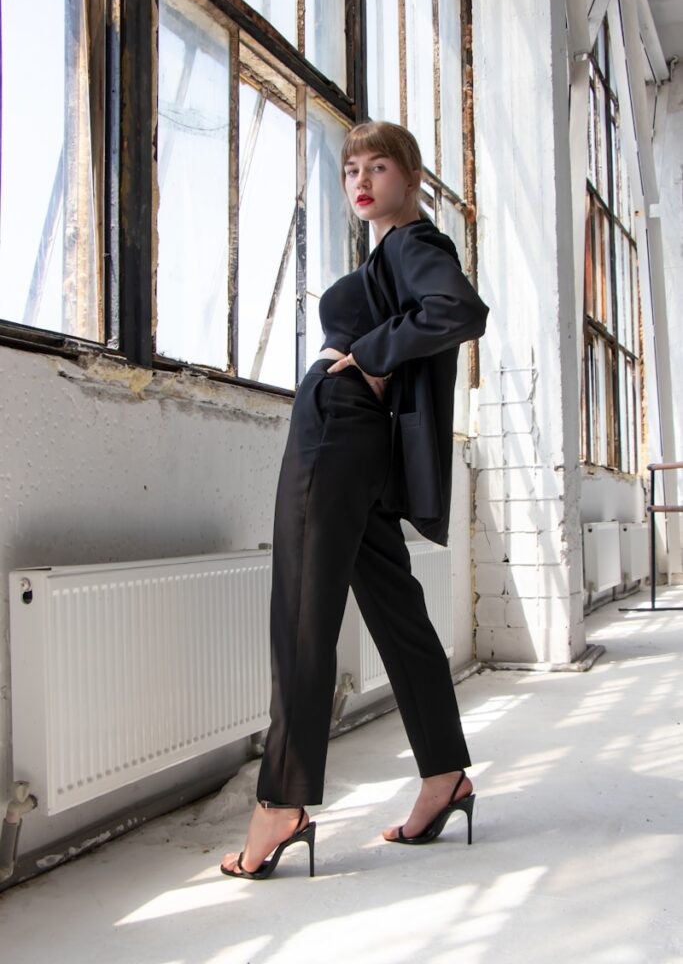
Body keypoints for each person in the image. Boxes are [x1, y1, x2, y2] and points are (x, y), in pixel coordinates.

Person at [220, 120, 490, 880]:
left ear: (410, 178)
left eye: (380, 166)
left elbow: (458, 312)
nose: (362, 180)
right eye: (351, 170)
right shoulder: (389, 254)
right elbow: (431, 320)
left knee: (303, 612)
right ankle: (444, 776)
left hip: (336, 438)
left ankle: (281, 802)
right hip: (361, 445)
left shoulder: (411, 243)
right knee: (396, 614)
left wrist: (367, 355)